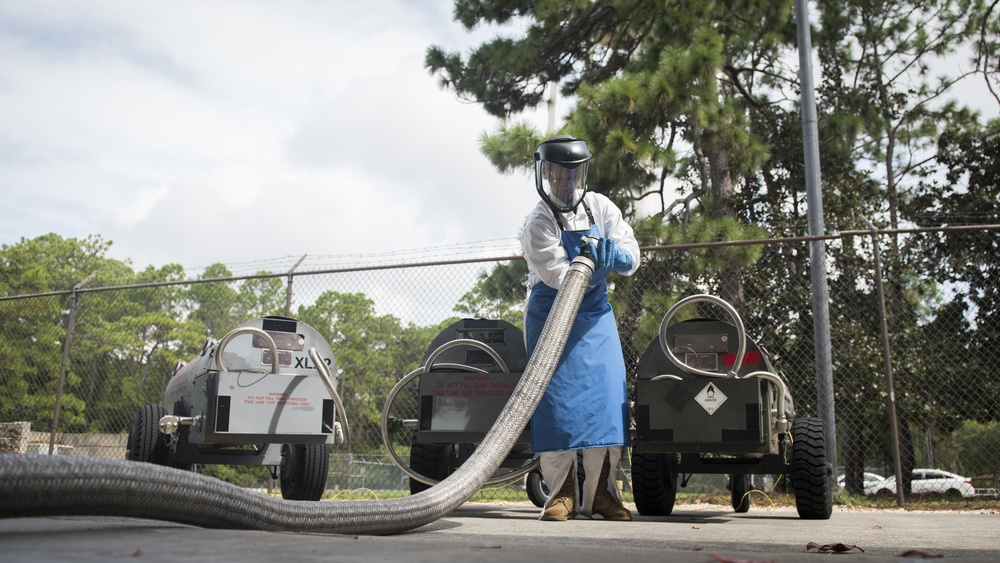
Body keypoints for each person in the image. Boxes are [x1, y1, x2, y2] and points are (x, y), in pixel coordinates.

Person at [520, 135, 640, 521]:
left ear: (581, 173)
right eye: (558, 174)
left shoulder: (600, 206)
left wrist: (617, 257)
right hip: (552, 315)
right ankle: (562, 495)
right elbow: (558, 276)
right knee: (557, 407)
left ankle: (603, 496)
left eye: (573, 174)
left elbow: (632, 253)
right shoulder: (538, 221)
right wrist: (590, 266)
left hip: (595, 318)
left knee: (607, 401)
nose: (566, 182)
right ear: (545, 175)